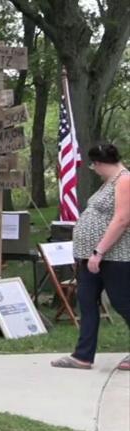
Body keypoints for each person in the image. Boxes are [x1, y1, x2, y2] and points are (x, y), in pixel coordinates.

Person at [52, 144, 130, 371]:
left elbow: (122, 220)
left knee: (122, 302)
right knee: (86, 301)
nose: (94, 169)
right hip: (90, 256)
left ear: (100, 163)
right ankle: (83, 356)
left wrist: (99, 251)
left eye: (94, 165)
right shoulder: (108, 183)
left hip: (115, 255)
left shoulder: (124, 180)